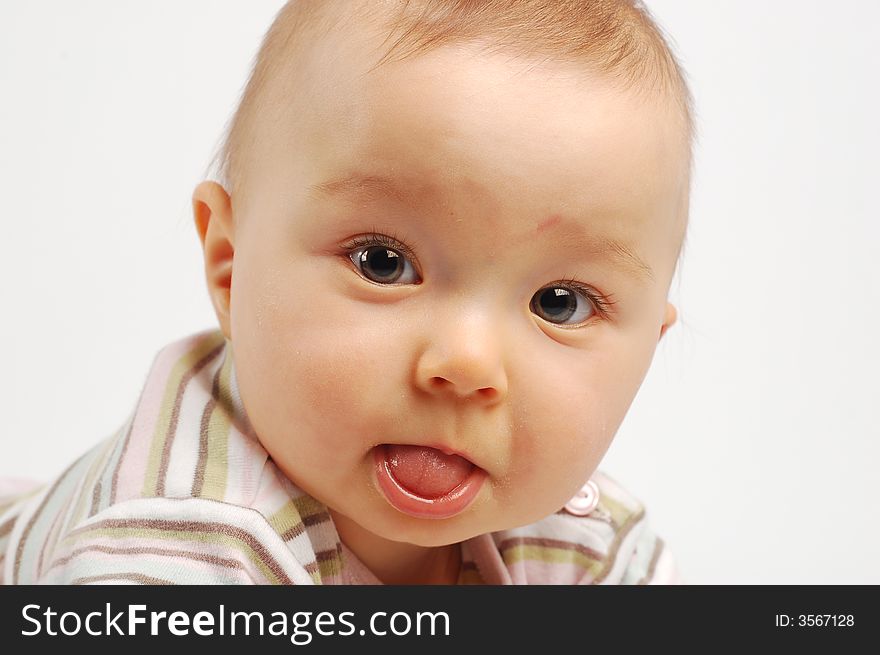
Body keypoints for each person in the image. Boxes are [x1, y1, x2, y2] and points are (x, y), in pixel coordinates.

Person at [1, 0, 694, 585]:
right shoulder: (170, 549)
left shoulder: (584, 539)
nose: (467, 362)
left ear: (648, 349)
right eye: (384, 262)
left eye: (559, 303)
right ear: (230, 265)